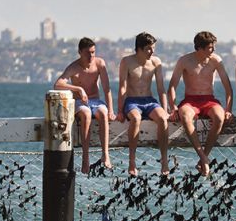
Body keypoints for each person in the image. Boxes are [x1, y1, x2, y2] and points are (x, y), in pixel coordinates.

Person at [168, 31, 233, 176]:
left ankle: (204, 156)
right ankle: (202, 157)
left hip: (209, 99)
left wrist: (228, 109)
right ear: (200, 48)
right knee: (184, 116)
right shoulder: (184, 61)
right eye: (210, 47)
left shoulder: (216, 60)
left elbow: (228, 88)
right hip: (190, 100)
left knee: (219, 117)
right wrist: (173, 107)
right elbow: (172, 86)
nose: (213, 50)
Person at [54, 37, 115, 174]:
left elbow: (106, 88)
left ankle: (105, 155)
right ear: (80, 52)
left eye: (93, 52)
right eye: (88, 53)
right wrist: (78, 89)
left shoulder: (99, 63)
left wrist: (111, 109)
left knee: (103, 113)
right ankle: (85, 159)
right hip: (80, 103)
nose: (91, 56)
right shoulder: (73, 67)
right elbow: (58, 84)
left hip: (96, 101)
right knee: (86, 114)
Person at [116, 32, 170, 176]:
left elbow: (160, 88)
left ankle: (164, 161)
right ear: (139, 49)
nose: (152, 51)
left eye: (153, 48)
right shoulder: (127, 61)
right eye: (148, 48)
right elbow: (122, 87)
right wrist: (120, 110)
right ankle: (132, 162)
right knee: (135, 119)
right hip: (132, 101)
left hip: (149, 101)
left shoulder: (156, 62)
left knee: (163, 119)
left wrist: (164, 109)